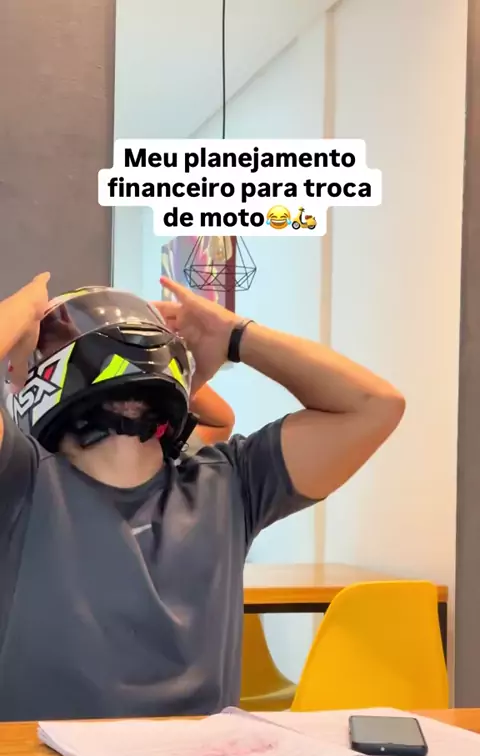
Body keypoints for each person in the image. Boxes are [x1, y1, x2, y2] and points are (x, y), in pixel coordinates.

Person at [0, 272, 405, 722]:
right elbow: (373, 406)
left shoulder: (230, 481)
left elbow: (377, 405)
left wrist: (235, 335)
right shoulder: (21, 480)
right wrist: (233, 336)